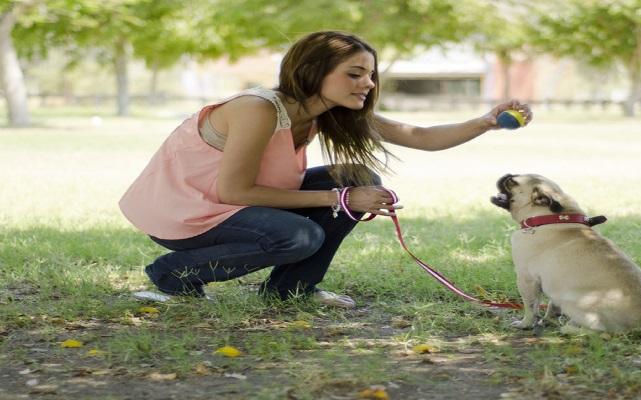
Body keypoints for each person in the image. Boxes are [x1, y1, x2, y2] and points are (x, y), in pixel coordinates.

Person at [119, 31, 533, 308]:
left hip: (235, 207)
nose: (367, 83)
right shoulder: (257, 109)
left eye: (370, 74)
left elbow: (421, 136)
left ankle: (289, 290)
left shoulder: (330, 112)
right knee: (301, 234)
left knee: (358, 176)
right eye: (354, 74)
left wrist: (487, 121)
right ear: (314, 72)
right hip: (190, 214)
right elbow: (234, 191)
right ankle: (172, 273)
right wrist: (340, 199)